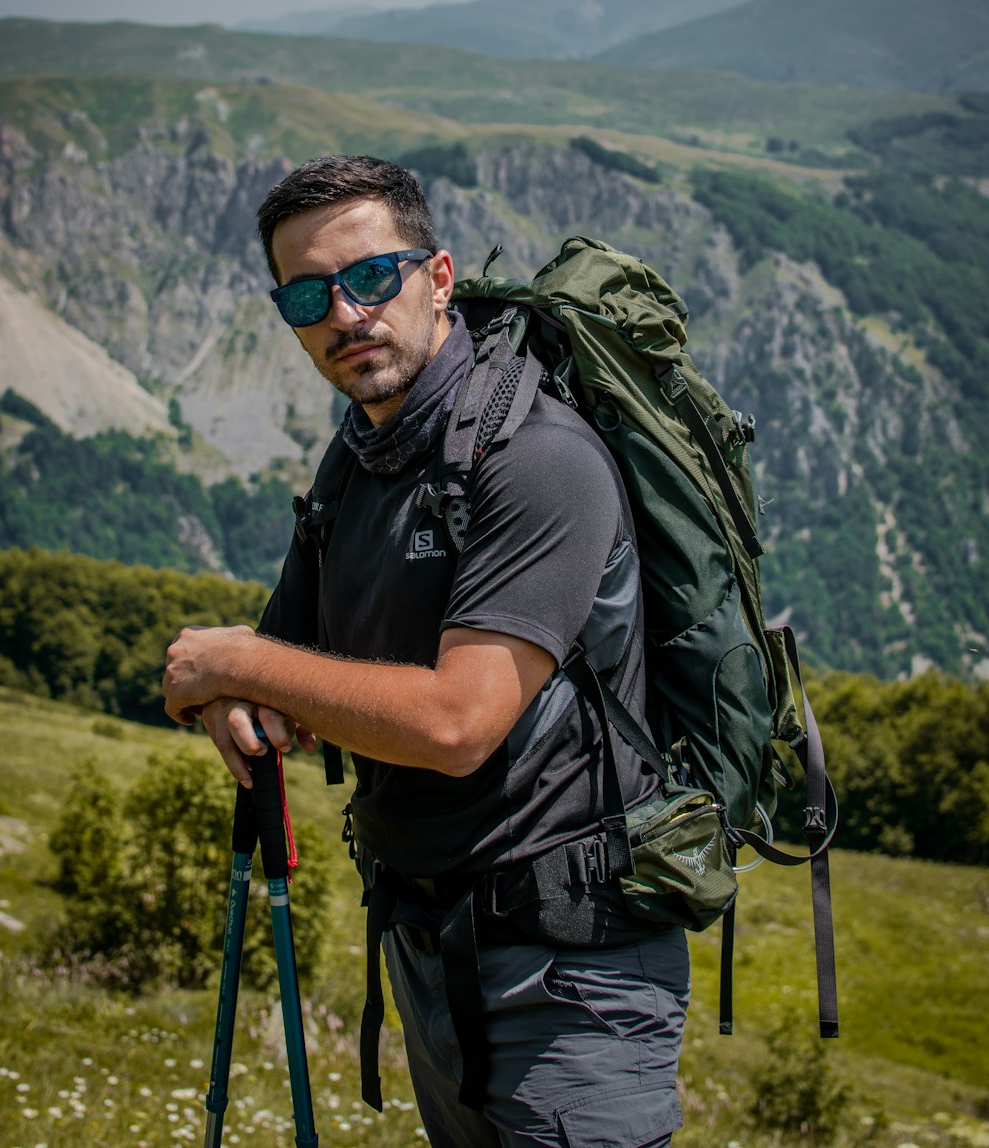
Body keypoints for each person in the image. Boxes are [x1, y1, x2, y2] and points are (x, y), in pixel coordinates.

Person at [162, 155, 690, 1148]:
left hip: (571, 973)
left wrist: (231, 667)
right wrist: (243, 701)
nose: (345, 315)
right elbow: (287, 659)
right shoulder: (358, 455)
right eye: (309, 294)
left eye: (372, 277)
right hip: (428, 945)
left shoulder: (539, 459)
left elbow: (456, 724)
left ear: (438, 277)